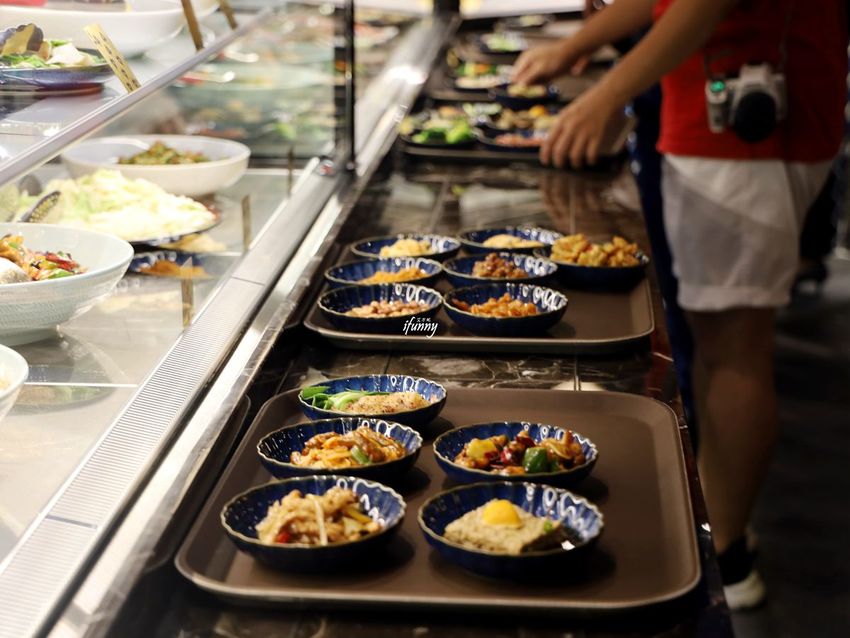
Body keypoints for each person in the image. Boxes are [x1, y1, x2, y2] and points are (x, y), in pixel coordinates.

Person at [514, 0, 847, 610]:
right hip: (732, 111)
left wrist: (606, 95)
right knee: (719, 349)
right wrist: (578, 46)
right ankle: (716, 520)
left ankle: (727, 556)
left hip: (743, 122)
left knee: (735, 350)